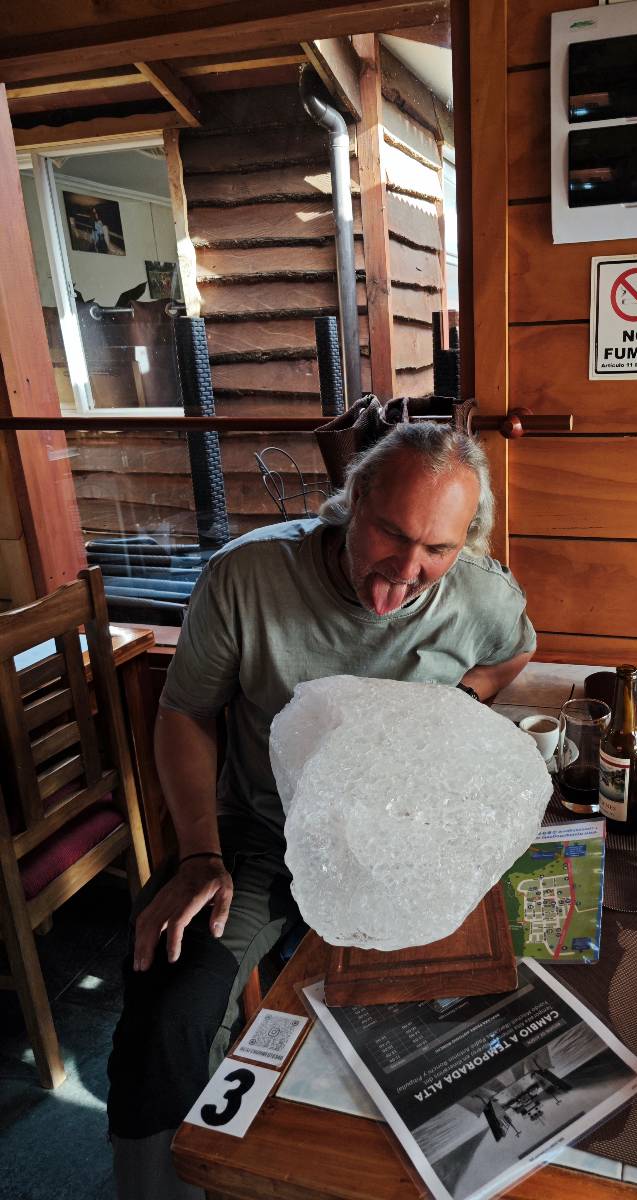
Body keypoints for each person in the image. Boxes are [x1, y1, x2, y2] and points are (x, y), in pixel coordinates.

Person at [107, 421, 536, 1199]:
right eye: (391, 533)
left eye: (437, 548)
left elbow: (514, 650)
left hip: (403, 842)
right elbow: (185, 712)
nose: (407, 569)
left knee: (481, 1014)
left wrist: (463, 701)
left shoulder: (481, 592)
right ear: (354, 497)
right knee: (165, 1003)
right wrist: (199, 852)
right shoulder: (248, 577)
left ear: (465, 541)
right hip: (263, 834)